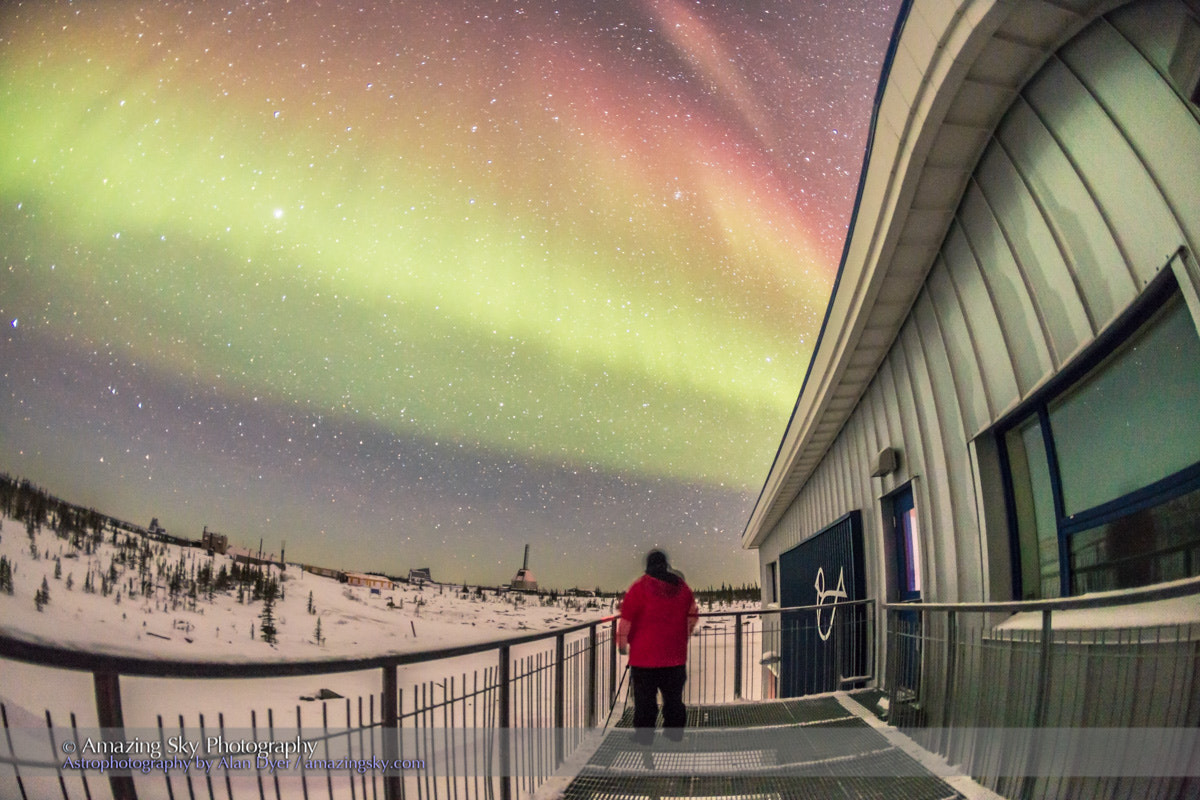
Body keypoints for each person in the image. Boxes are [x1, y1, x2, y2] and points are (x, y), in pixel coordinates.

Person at [617, 549, 699, 743]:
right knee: (673, 700)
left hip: (643, 659)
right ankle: (674, 736)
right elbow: (693, 617)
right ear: (666, 565)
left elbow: (626, 621)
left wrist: (622, 644)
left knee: (645, 702)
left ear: (648, 566)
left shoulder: (638, 588)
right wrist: (683, 637)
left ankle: (644, 738)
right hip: (674, 657)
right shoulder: (683, 588)